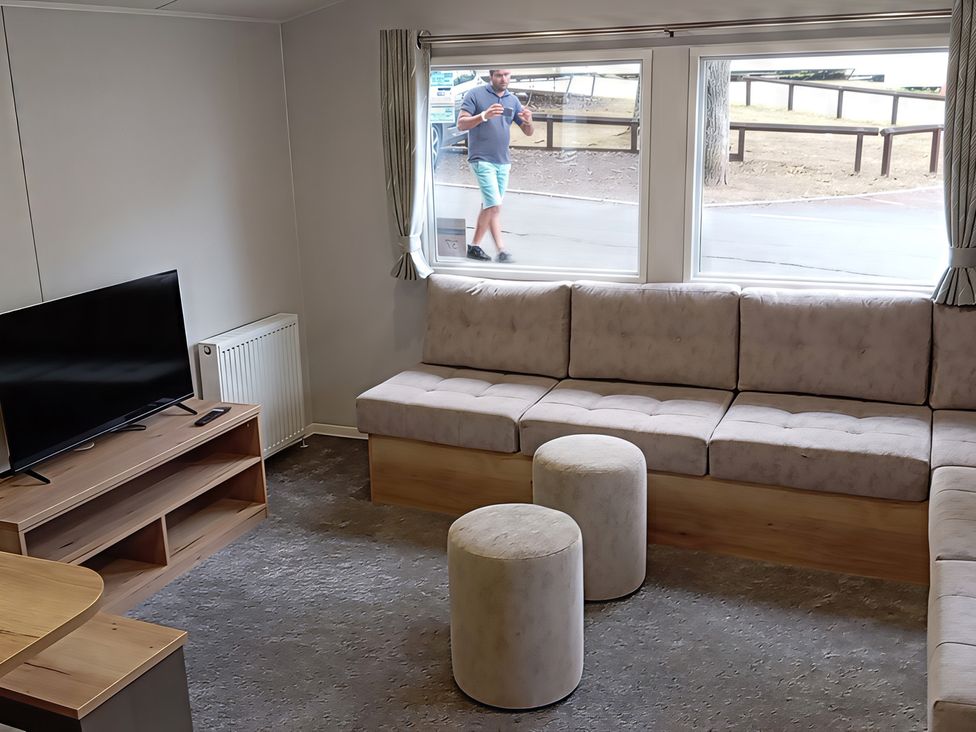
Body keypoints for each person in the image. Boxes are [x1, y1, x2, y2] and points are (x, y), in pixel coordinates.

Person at [457, 69, 534, 263]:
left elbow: (528, 132)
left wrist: (529, 122)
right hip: (481, 158)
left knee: (490, 205)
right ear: (491, 76)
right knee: (494, 205)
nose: (504, 79)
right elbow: (461, 124)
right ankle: (500, 250)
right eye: (499, 75)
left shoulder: (513, 100)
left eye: (508, 75)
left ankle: (475, 247)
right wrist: (484, 115)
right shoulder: (475, 94)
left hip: (503, 161)